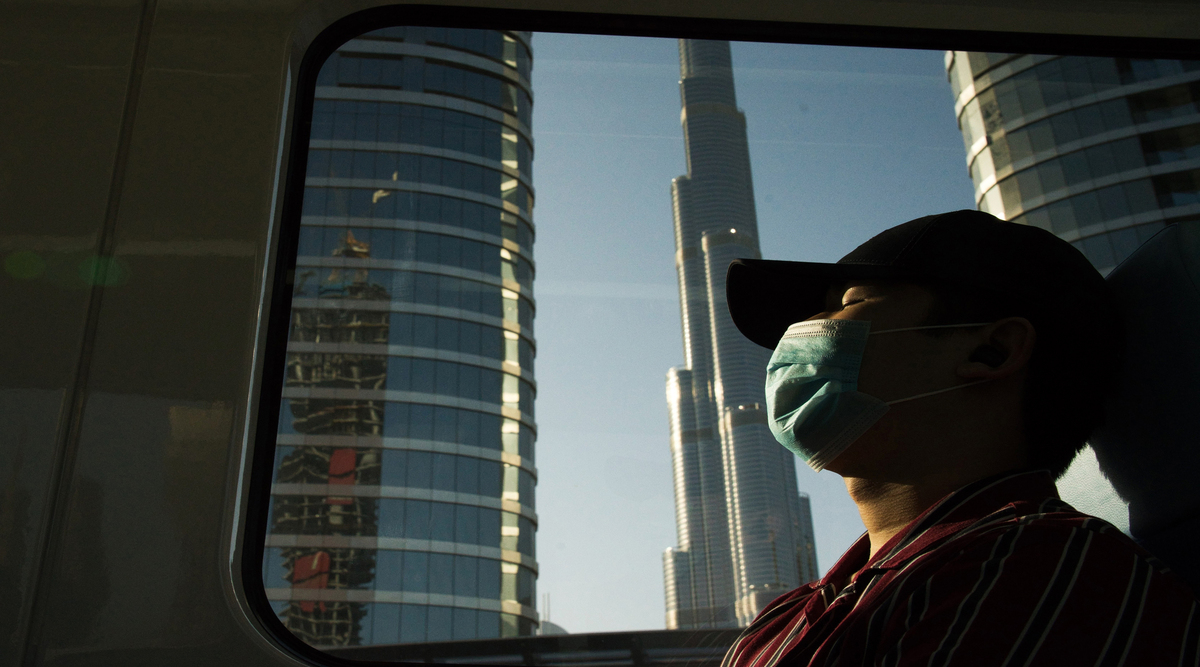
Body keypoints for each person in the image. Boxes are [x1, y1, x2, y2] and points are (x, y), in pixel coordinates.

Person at [720, 210, 1200, 667]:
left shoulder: (1043, 573)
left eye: (847, 305)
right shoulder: (781, 619)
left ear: (993, 351)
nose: (796, 336)